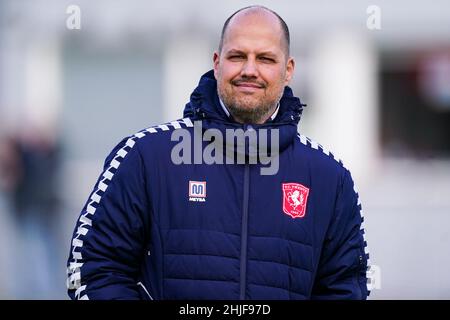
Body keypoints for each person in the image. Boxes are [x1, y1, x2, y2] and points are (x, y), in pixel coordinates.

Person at [67, 5, 370, 300]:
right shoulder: (146, 157)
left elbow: (346, 286)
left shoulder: (330, 179)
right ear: (217, 62)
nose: (249, 70)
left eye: (265, 58)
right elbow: (92, 268)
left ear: (288, 70)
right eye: (237, 56)